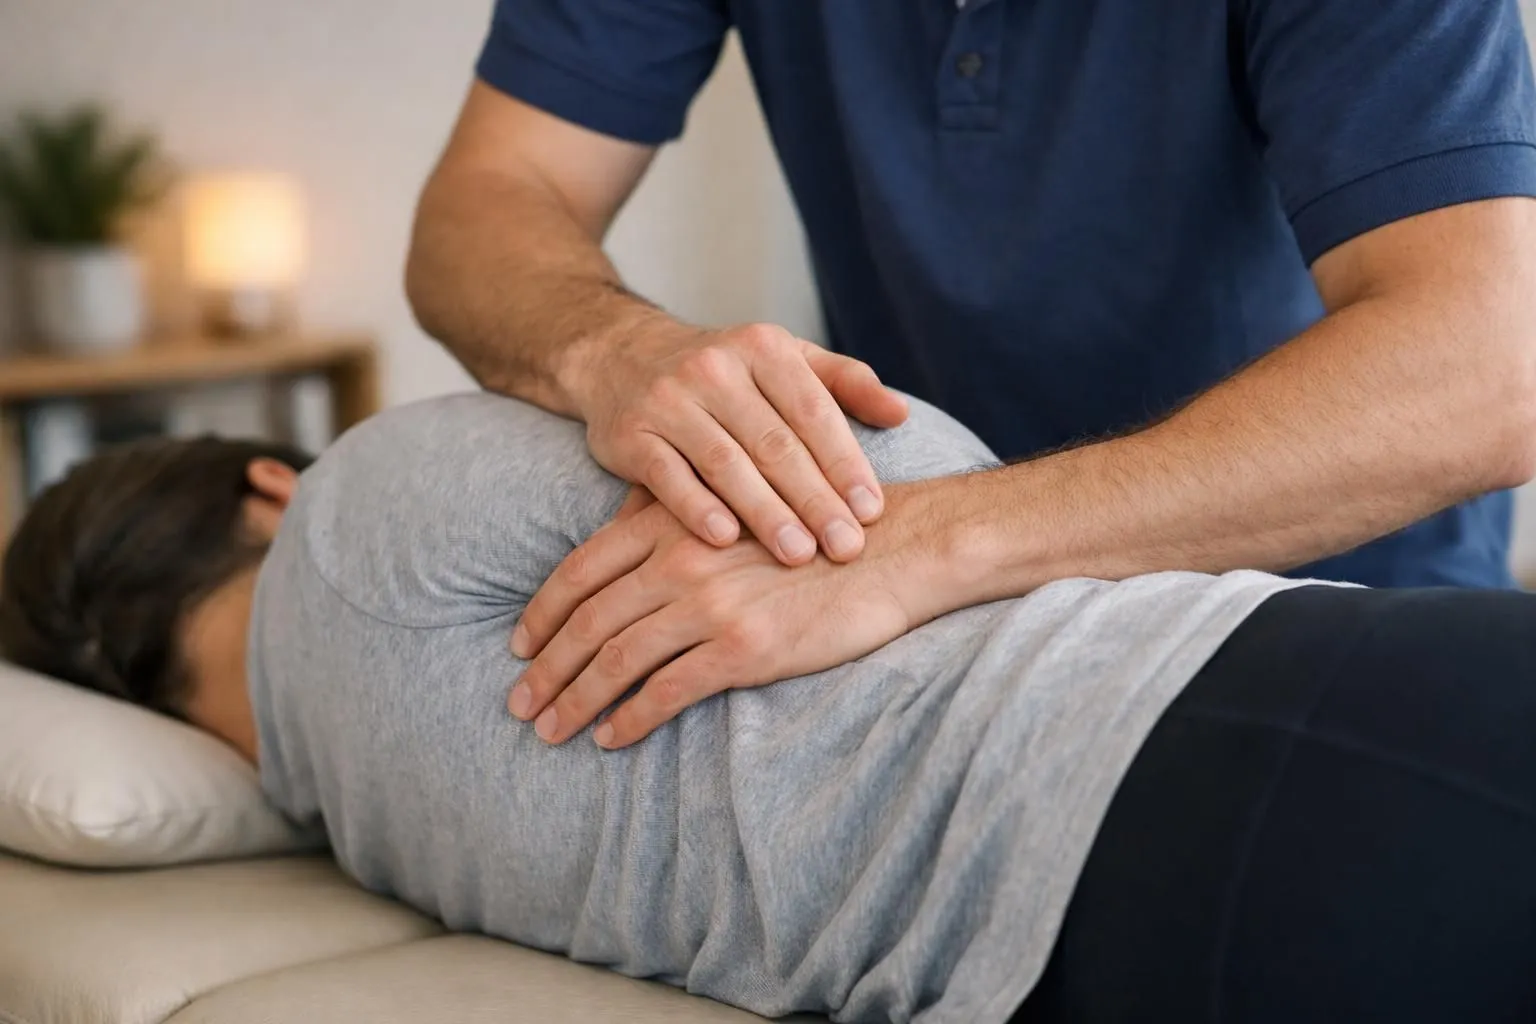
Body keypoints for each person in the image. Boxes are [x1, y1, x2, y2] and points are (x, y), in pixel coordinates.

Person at [4, 394, 1536, 1023]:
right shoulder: (366, 500)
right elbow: (901, 459)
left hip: (1067, 966)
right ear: (264, 480)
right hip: (1204, 738)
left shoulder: (356, 831)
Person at [404, 2, 1536, 739]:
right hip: (935, 648)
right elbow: (484, 203)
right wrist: (618, 349)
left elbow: (1489, 364)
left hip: (1330, 626)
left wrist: (933, 542)